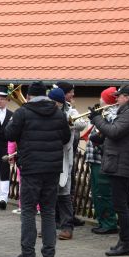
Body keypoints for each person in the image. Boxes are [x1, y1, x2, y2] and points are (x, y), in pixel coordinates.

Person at [6, 81, 71, 257]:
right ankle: (49, 256)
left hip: (31, 169)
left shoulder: (22, 112)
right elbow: (65, 138)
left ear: (29, 96)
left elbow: (9, 134)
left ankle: (28, 254)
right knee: (49, 212)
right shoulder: (58, 113)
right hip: (52, 170)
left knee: (28, 211)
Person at [88, 85, 129, 257]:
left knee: (122, 205)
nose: (116, 99)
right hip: (120, 162)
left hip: (122, 164)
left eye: (119, 96)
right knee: (125, 204)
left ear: (127, 97)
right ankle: (125, 241)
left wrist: (97, 119)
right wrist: (101, 139)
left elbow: (115, 131)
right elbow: (119, 136)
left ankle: (126, 243)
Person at [54, 81, 88, 238]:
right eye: (70, 92)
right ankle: (52, 223)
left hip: (64, 157)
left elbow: (82, 123)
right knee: (50, 193)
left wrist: (70, 121)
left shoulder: (70, 110)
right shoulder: (46, 110)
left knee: (65, 192)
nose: (73, 95)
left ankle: (67, 226)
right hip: (49, 158)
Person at [86, 87, 119, 235]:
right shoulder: (104, 113)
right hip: (95, 160)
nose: (99, 99)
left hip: (102, 161)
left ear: (106, 100)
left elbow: (108, 137)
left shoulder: (111, 115)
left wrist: (97, 143)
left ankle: (109, 223)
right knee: (97, 193)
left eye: (102, 97)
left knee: (103, 193)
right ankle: (102, 221)